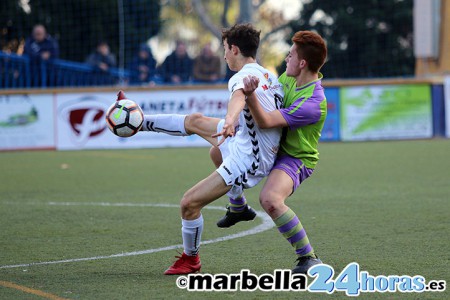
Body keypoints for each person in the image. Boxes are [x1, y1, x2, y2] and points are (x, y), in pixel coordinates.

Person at [132, 23, 284, 275]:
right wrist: (233, 124)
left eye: (224, 49)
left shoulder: (240, 77)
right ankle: (141, 121)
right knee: (196, 123)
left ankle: (191, 260)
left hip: (250, 159)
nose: (224, 55)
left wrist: (231, 120)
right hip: (246, 140)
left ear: (234, 49)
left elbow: (239, 97)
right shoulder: (269, 75)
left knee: (189, 204)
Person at [213, 30, 328, 274]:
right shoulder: (288, 77)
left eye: (291, 55)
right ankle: (237, 206)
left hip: (295, 158)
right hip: (272, 147)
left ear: (303, 63)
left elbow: (265, 121)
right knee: (217, 152)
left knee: (271, 200)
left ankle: (309, 257)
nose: (286, 59)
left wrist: (250, 93)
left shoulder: (312, 104)